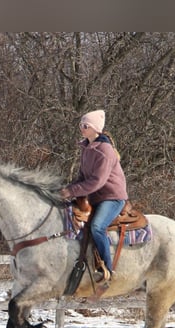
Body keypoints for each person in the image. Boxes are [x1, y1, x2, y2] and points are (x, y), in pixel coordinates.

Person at [60, 109, 128, 284]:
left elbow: (97, 181)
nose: (81, 128)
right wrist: (68, 190)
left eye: (85, 125)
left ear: (96, 129)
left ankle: (107, 269)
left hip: (112, 197)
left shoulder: (104, 150)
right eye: (81, 125)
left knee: (97, 226)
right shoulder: (86, 148)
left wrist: (73, 191)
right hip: (96, 197)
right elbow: (83, 177)